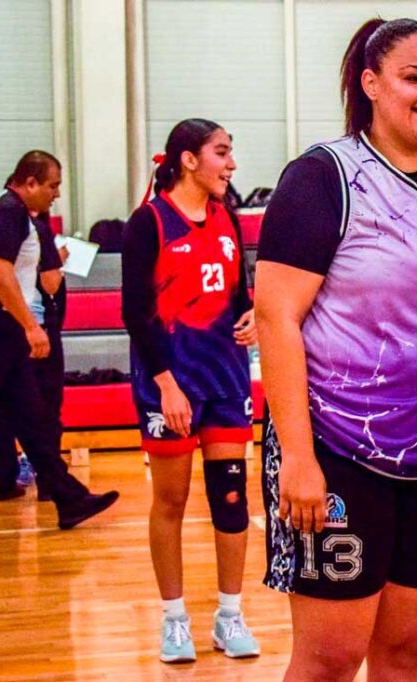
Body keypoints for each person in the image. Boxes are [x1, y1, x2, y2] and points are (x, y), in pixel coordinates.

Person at [256, 18, 417, 680]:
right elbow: (275, 317)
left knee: (404, 650)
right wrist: (297, 458)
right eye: (414, 77)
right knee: (331, 659)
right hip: (338, 450)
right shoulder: (321, 177)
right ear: (371, 84)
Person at [122, 119, 260, 663]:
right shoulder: (148, 223)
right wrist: (165, 384)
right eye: (222, 153)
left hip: (224, 378)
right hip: (170, 383)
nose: (231, 164)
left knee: (231, 498)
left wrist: (248, 316)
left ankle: (230, 615)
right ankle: (173, 619)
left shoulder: (228, 218)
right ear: (187, 160)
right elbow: (136, 312)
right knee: (172, 501)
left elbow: (236, 292)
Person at [0, 151, 119, 535]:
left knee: (32, 417)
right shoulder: (8, 211)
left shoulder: (16, 213)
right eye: (52, 185)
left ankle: (68, 497)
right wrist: (30, 326)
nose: (56, 194)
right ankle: (67, 494)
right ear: (29, 182)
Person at [0, 208, 68, 502]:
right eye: (53, 186)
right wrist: (56, 259)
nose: (56, 194)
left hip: (5, 326)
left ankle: (5, 478)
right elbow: (50, 282)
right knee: (46, 406)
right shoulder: (37, 229)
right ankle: (51, 483)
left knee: (6, 407)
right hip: (37, 326)